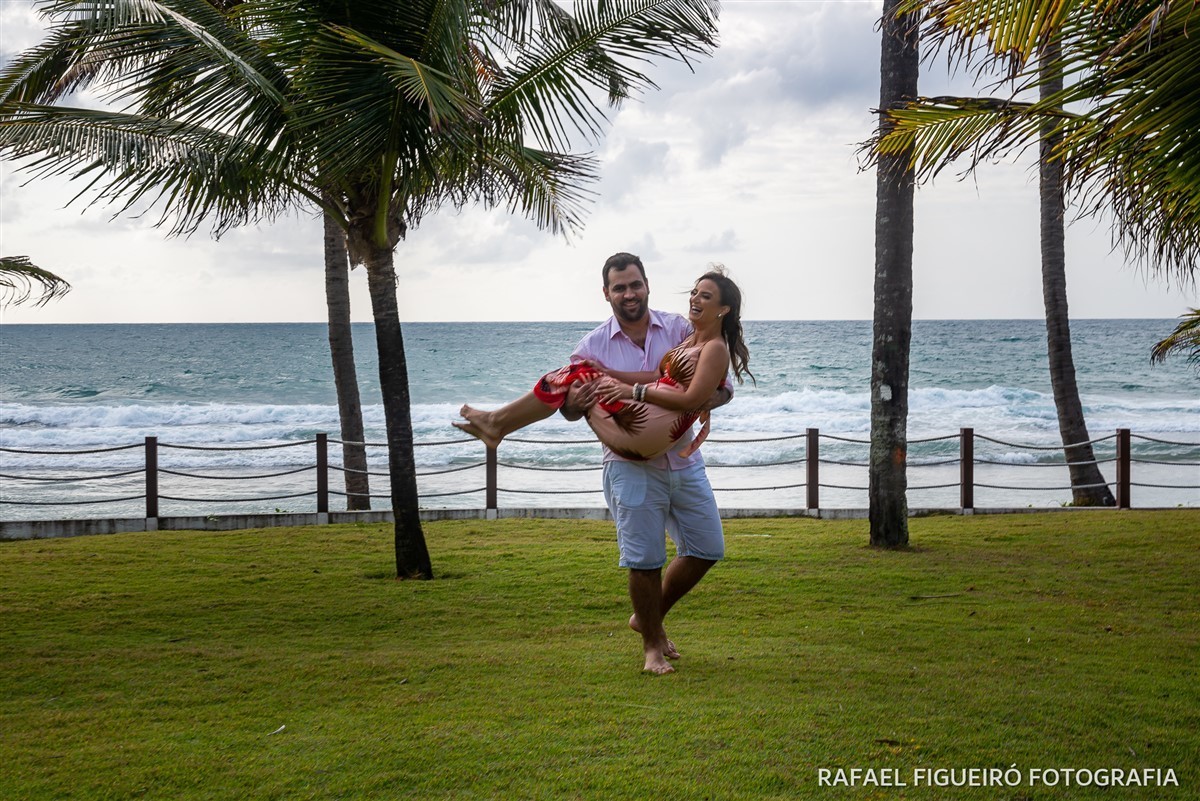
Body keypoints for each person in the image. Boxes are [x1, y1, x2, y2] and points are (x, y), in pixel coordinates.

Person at [456, 252, 753, 674]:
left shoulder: (681, 328)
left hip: (681, 458)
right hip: (627, 459)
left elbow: (714, 383)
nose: (629, 293)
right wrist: (580, 401)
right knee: (644, 560)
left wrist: (712, 398)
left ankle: (497, 424)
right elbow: (573, 409)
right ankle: (652, 645)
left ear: (647, 284)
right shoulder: (591, 345)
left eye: (635, 284)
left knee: (707, 548)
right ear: (606, 293)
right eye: (619, 287)